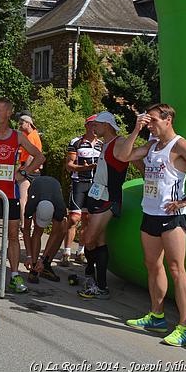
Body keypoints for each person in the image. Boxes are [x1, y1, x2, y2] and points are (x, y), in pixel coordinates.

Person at [115, 104, 186, 347]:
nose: (150, 124)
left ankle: (185, 327)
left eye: (154, 121)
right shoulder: (151, 145)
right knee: (152, 265)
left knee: (176, 269)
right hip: (150, 213)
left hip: (173, 217)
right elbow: (123, 156)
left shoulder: (181, 145)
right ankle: (157, 316)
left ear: (168, 120)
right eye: (148, 121)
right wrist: (137, 130)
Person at [0, 97, 45, 294]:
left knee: (13, 235)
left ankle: (15, 276)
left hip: (11, 194)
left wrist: (23, 172)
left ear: (8, 113)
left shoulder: (17, 136)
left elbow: (40, 156)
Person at [71, 111, 129, 300]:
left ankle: (92, 277)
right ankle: (98, 283)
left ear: (107, 125)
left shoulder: (119, 142)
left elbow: (134, 158)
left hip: (109, 197)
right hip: (97, 194)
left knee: (88, 238)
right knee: (98, 241)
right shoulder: (104, 144)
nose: (93, 129)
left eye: (96, 125)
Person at [63, 116, 101, 266]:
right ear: (87, 126)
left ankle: (81, 251)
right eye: (93, 125)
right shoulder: (76, 142)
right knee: (73, 218)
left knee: (88, 219)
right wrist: (84, 168)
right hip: (79, 183)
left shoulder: (101, 145)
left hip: (95, 185)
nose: (95, 128)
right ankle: (66, 252)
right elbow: (69, 165)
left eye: (97, 125)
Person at [22, 175, 67, 283]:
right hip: (37, 189)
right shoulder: (31, 206)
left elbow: (54, 234)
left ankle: (45, 264)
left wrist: (42, 259)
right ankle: (33, 266)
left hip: (54, 189)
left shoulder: (59, 208)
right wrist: (28, 256)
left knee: (62, 230)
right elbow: (26, 230)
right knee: (38, 230)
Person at [17, 114, 43, 259]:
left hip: (29, 170)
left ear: (28, 123)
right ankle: (28, 226)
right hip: (32, 170)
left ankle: (25, 228)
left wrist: (23, 172)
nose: (19, 125)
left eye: (21, 123)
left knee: (23, 200)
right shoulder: (31, 135)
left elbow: (32, 156)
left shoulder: (32, 136)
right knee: (28, 200)